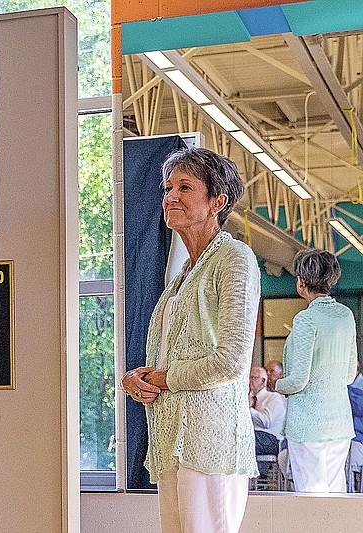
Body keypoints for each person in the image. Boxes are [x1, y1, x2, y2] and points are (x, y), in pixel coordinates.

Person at [121, 147, 260, 533]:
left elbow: (231, 361)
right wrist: (137, 379)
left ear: (218, 201)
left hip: (210, 442)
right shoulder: (185, 272)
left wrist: (162, 379)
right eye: (168, 187)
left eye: (185, 187)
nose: (170, 197)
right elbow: (170, 356)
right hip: (171, 441)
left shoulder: (234, 258)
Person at [275, 248, 357, 493]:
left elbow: (298, 380)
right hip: (340, 423)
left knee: (310, 496)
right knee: (335, 495)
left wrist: (276, 385)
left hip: (308, 425)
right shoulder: (346, 315)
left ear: (301, 282)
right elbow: (349, 374)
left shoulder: (305, 320)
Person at [249, 366, 286, 480]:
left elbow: (267, 422)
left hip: (272, 440)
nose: (249, 381)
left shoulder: (273, 398)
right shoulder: (248, 398)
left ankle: (259, 477)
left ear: (263, 381)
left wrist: (248, 410)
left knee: (244, 437)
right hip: (254, 436)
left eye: (253, 378)